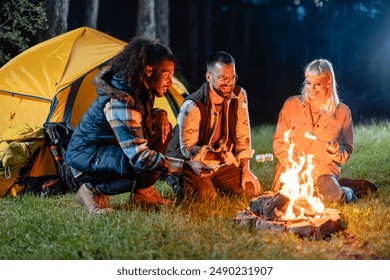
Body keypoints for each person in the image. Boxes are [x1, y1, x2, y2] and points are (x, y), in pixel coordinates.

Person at [65, 37, 213, 214]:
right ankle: (90, 190)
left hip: (107, 149)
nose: (170, 82)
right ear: (149, 71)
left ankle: (142, 192)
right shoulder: (121, 101)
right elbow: (141, 158)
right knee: (144, 166)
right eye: (166, 75)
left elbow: (139, 123)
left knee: (159, 125)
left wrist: (160, 114)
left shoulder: (140, 88)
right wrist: (185, 167)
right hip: (85, 160)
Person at [272, 58, 377, 203]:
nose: (311, 88)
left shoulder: (342, 112)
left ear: (328, 83)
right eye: (308, 83)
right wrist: (295, 167)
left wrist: (336, 150)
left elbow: (346, 152)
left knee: (334, 199)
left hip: (323, 171)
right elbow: (279, 144)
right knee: (285, 201)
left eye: (317, 84)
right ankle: (338, 185)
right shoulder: (291, 105)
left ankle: (348, 190)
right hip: (292, 169)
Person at [165, 51, 261, 201]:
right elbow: (187, 149)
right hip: (191, 163)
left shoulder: (239, 95)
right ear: (209, 76)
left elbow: (243, 135)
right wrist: (214, 154)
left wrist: (246, 170)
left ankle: (214, 183)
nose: (229, 83)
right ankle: (177, 180)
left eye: (233, 77)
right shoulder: (192, 106)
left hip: (220, 164)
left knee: (250, 191)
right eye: (223, 78)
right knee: (205, 197)